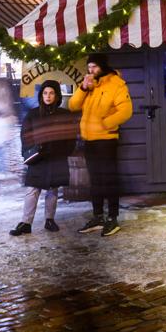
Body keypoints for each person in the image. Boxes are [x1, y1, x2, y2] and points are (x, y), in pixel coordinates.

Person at [68, 53, 133, 235]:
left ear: (103, 67)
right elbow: (72, 105)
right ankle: (98, 216)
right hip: (89, 140)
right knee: (95, 180)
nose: (91, 71)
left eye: (94, 67)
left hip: (106, 140)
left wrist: (106, 123)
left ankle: (112, 218)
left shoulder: (116, 84)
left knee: (109, 180)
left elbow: (126, 110)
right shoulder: (89, 85)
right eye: (89, 67)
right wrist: (83, 88)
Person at [10, 81, 77, 236]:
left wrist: (64, 152)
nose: (48, 96)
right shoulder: (33, 114)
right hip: (38, 159)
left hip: (56, 158)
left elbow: (70, 137)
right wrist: (30, 153)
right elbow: (25, 135)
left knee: (53, 190)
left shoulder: (64, 114)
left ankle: (49, 219)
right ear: (41, 95)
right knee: (32, 189)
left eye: (51, 93)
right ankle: (26, 222)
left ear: (56, 95)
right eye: (45, 93)